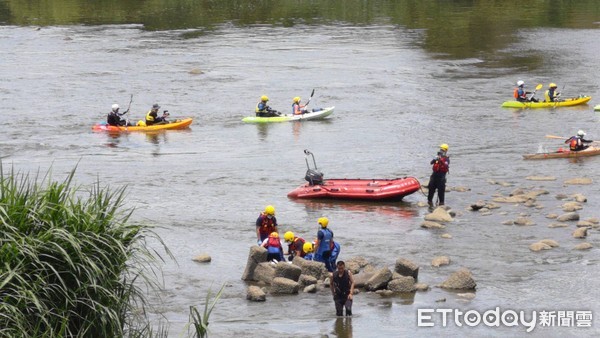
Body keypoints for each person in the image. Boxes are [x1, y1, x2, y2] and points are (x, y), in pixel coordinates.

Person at [428, 144, 450, 208]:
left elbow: (446, 165)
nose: (441, 151)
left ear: (446, 151)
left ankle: (441, 205)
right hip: (434, 175)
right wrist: (435, 159)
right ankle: (429, 203)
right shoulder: (437, 157)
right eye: (441, 150)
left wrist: (441, 160)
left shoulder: (446, 159)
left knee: (441, 191)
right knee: (431, 189)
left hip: (441, 176)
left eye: (443, 150)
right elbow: (431, 163)